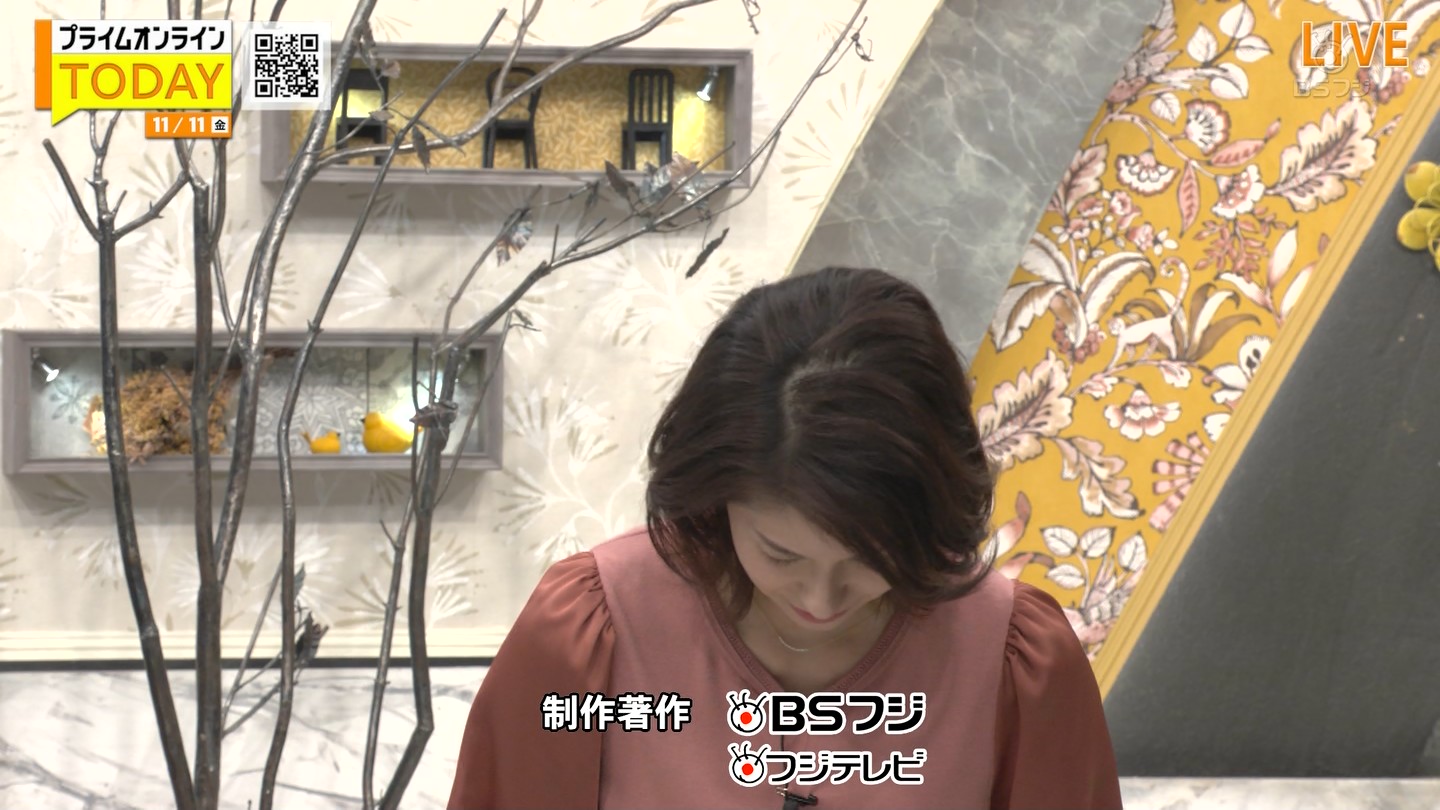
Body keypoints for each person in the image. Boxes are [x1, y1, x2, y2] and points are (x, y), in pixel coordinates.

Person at [448, 267, 1123, 809]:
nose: (821, 599)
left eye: (873, 558)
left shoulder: (1012, 659)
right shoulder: (593, 634)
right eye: (780, 553)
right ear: (716, 498)